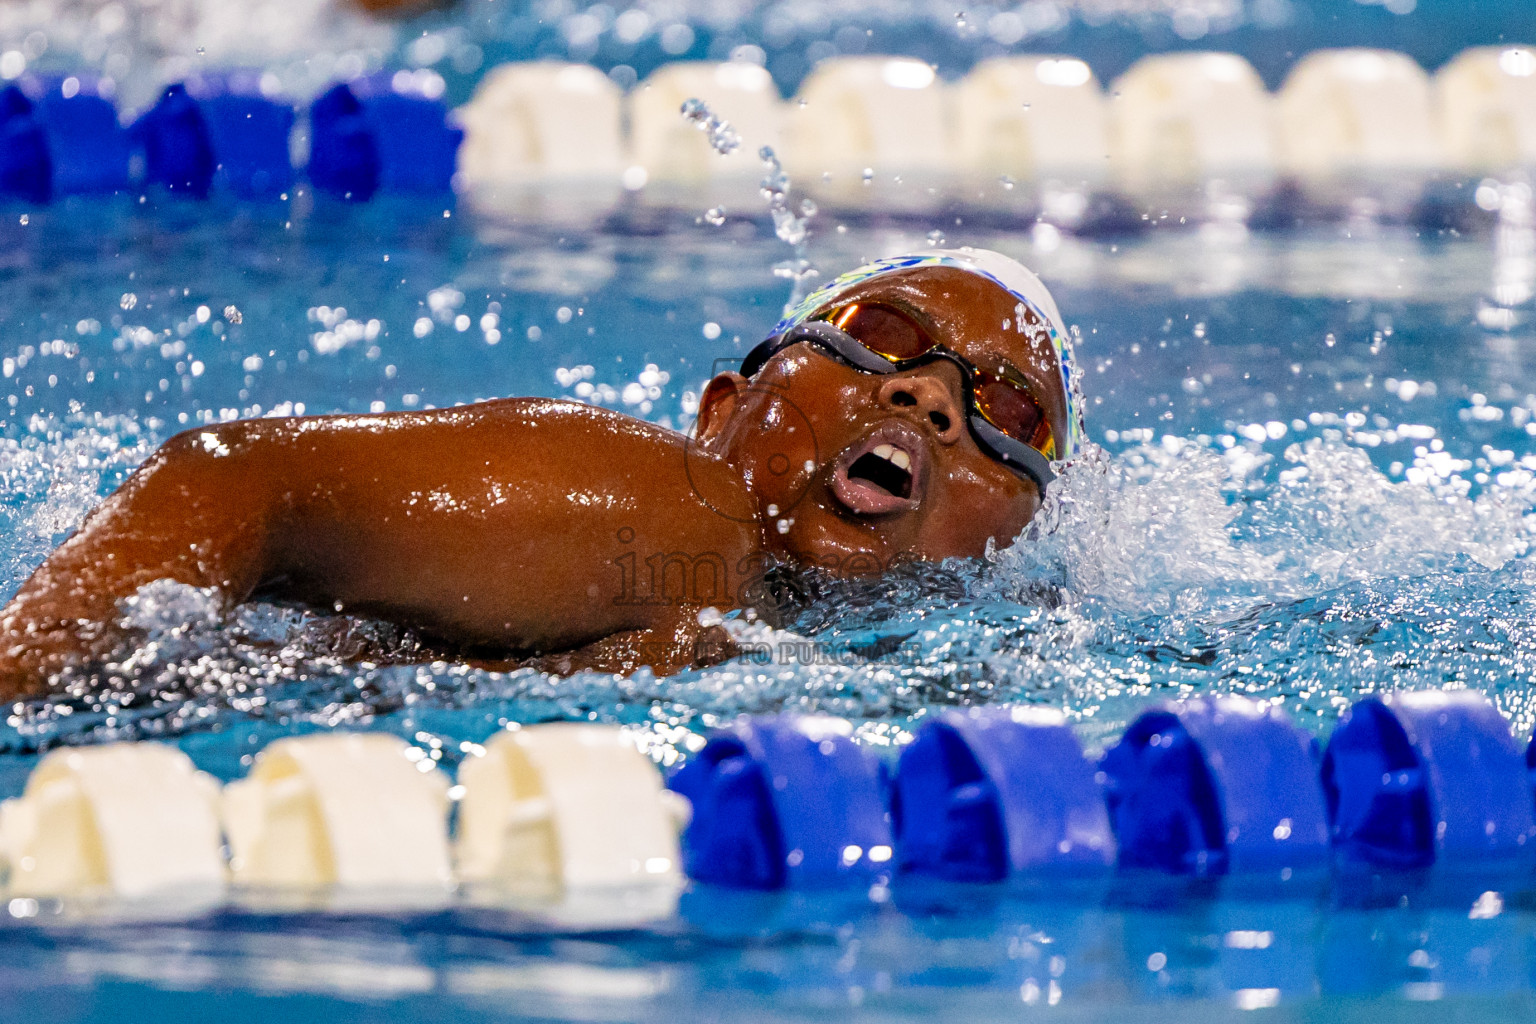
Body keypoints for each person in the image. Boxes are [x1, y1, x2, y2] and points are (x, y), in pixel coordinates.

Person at [0, 248, 1083, 698]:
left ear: (1020, 534)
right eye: (880, 334)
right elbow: (236, 483)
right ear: (721, 414)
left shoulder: (949, 667)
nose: (931, 396)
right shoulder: (684, 512)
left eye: (1005, 410)